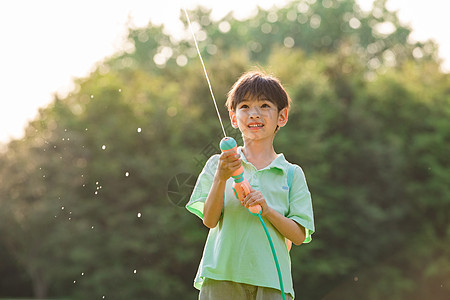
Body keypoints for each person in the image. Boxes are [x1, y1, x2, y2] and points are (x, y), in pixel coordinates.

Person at [186, 71, 315, 300]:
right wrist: (221, 177)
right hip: (221, 277)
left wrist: (267, 211)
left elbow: (297, 235)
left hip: (272, 282)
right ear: (234, 118)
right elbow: (209, 220)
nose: (254, 114)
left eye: (265, 105)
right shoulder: (218, 164)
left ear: (282, 117)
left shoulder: (292, 174)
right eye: (244, 106)